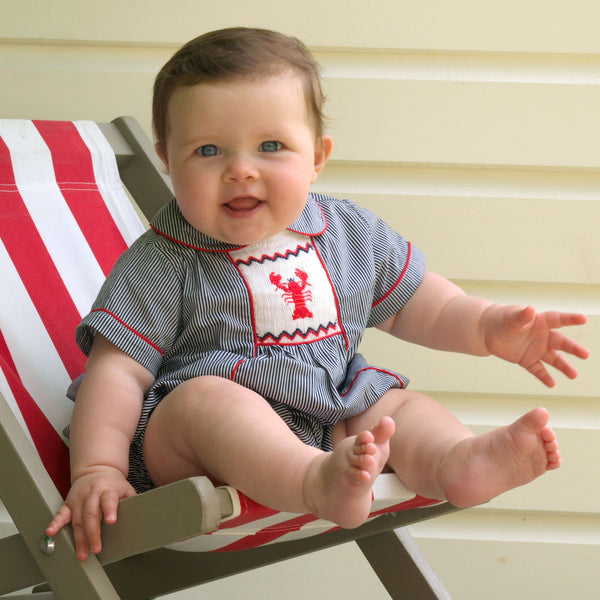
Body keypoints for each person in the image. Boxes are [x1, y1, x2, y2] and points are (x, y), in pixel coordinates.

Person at [47, 27, 589, 561]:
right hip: (191, 451)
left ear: (317, 156)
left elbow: (428, 303)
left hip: (331, 420)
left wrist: (487, 326)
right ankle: (316, 481)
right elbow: (116, 372)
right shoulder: (164, 260)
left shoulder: (347, 232)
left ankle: (456, 462)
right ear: (168, 159)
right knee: (205, 402)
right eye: (208, 150)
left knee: (395, 407)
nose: (240, 169)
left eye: (271, 146)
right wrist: (99, 470)